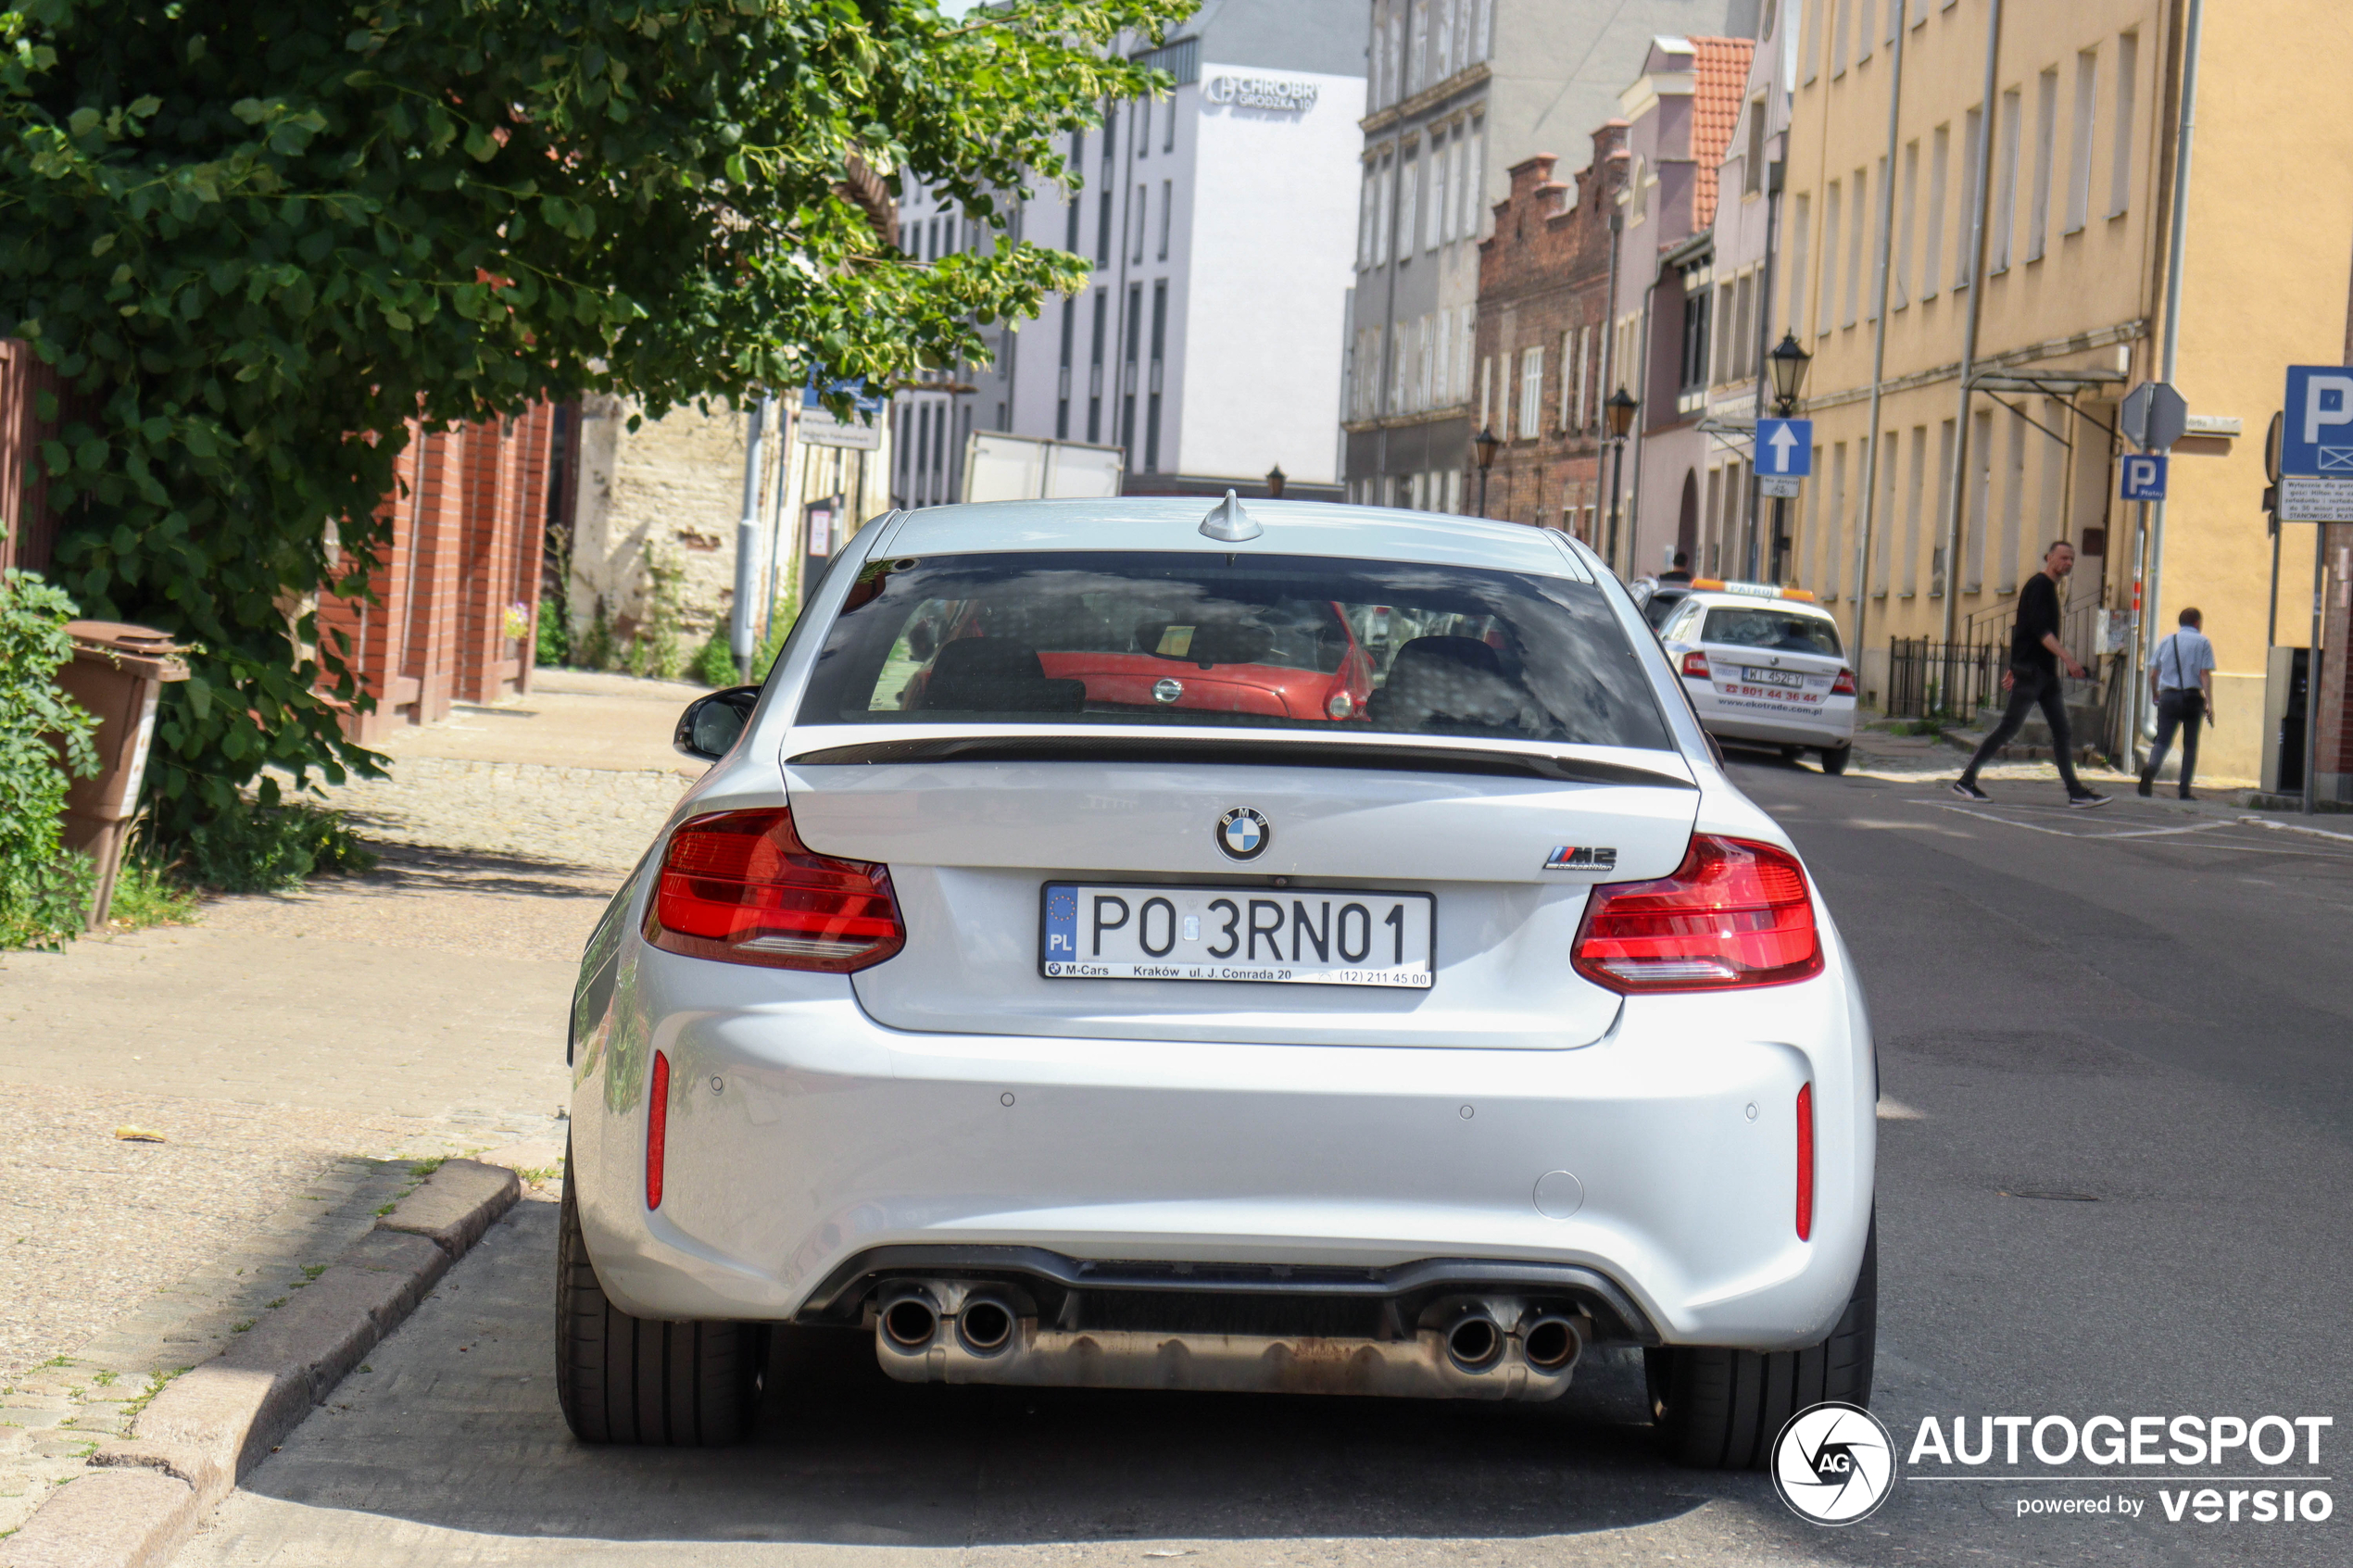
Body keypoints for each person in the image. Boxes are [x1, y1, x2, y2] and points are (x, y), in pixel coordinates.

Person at [1953, 540, 2109, 807]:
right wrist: (2068, 659)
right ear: (2049, 557)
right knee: (2008, 729)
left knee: (2062, 731)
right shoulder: (2039, 586)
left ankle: (2075, 791)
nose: (2068, 563)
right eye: (2063, 558)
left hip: (2044, 674)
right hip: (2033, 673)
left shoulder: (2048, 589)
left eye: (2072, 559)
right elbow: (2039, 631)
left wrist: (2015, 665)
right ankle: (1966, 781)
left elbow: (2021, 629)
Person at [2139, 607, 2216, 799]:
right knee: (2190, 745)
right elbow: (2204, 674)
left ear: (2181, 622)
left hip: (2168, 697)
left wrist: (2155, 693)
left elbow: (2153, 673)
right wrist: (2209, 702)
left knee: (2162, 741)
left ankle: (2150, 770)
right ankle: (2184, 790)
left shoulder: (2167, 641)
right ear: (2197, 623)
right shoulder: (2203, 642)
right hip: (2192, 698)